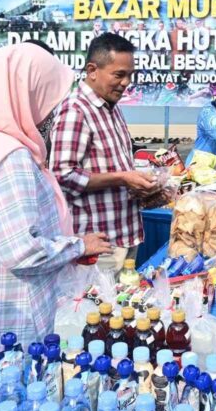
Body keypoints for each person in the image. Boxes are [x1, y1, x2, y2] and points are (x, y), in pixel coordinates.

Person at [0, 43, 112, 381]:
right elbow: (22, 251)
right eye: (49, 97)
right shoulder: (11, 159)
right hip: (16, 315)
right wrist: (79, 245)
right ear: (24, 94)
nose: (53, 111)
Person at [51, 33, 157, 274]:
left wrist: (140, 184)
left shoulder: (111, 107)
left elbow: (114, 164)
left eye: (130, 75)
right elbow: (63, 175)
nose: (126, 82)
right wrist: (122, 178)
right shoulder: (75, 110)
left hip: (125, 234)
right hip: (98, 245)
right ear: (92, 70)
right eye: (119, 75)